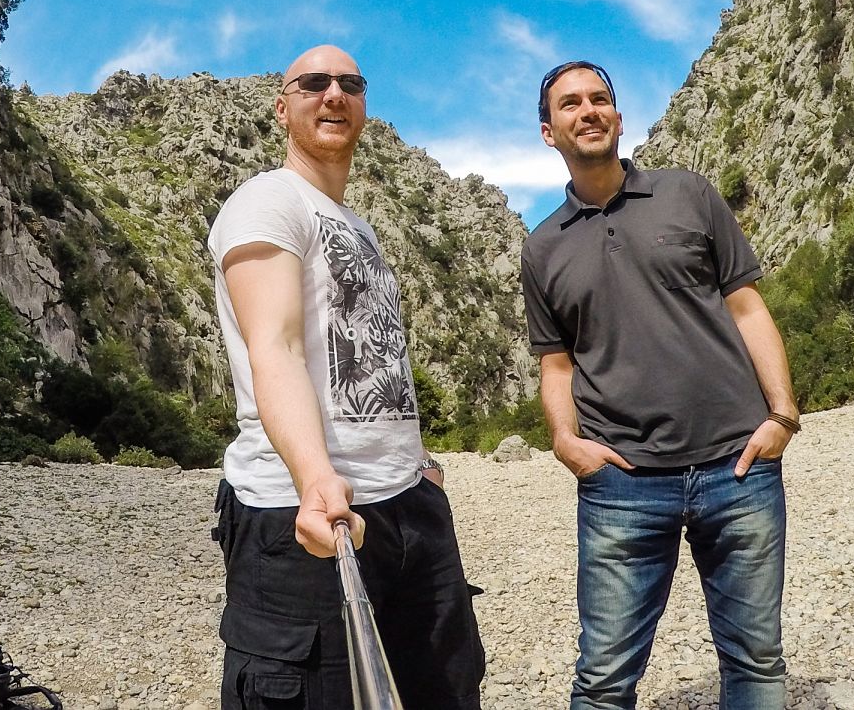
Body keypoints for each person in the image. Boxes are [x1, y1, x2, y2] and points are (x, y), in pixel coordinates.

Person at [206, 44, 485, 709]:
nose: (334, 93)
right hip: (303, 513)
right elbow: (273, 346)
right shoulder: (266, 202)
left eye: (350, 83)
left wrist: (415, 461)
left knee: (449, 686)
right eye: (314, 83)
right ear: (283, 108)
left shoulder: (357, 225)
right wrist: (313, 480)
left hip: (407, 508)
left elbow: (369, 351)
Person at [521, 60, 801, 710]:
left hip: (740, 468)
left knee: (757, 663)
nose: (587, 110)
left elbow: (748, 307)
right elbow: (555, 363)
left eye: (599, 99)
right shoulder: (542, 249)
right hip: (620, 486)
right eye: (570, 104)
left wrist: (782, 414)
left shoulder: (689, 193)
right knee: (602, 683)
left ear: (618, 119)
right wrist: (566, 441)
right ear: (548, 131)